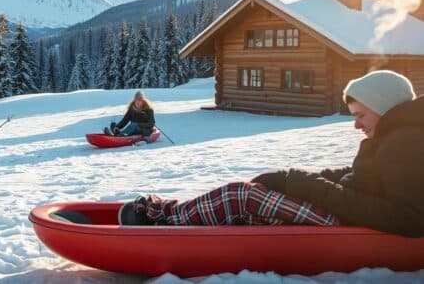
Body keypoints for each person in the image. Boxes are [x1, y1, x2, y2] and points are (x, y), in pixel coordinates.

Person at [119, 70, 424, 238]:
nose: (356, 125)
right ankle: (176, 216)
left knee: (241, 197)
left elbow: (408, 219)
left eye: (361, 115)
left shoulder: (406, 144)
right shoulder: (392, 138)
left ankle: (163, 225)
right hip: (347, 214)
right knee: (255, 196)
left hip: (351, 227)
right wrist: (291, 179)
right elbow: (360, 177)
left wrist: (306, 186)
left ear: (384, 108)